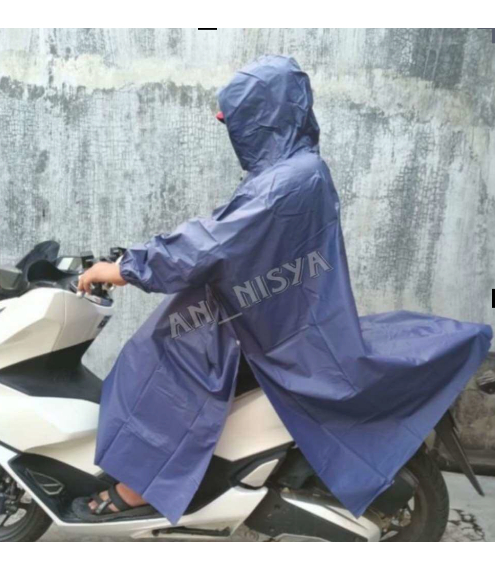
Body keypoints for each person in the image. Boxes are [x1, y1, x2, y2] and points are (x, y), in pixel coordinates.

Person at [72, 55, 492, 523]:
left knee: (161, 362)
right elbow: (228, 234)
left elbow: (212, 241)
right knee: (162, 347)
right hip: (269, 311)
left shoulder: (288, 180)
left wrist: (127, 268)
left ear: (263, 115)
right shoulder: (293, 171)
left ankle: (139, 487)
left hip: (270, 324)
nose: (232, 129)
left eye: (237, 118)